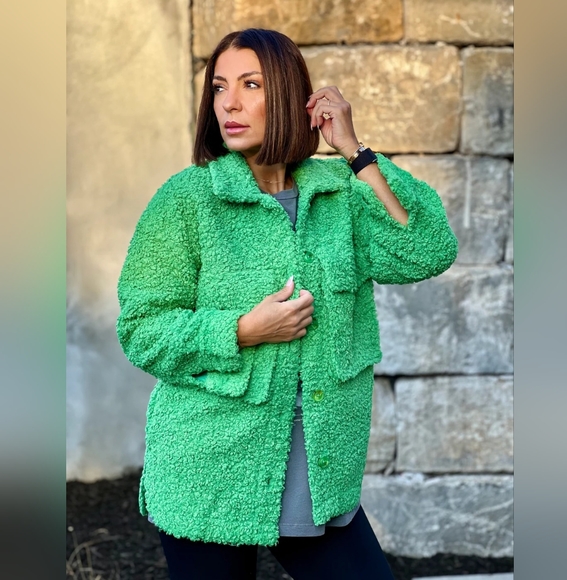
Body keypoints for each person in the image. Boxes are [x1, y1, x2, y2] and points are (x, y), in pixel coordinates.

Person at [117, 28, 458, 580]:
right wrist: (242, 330)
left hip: (320, 469)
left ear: (290, 96)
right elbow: (141, 329)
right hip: (208, 470)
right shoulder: (186, 200)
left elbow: (426, 249)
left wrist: (356, 152)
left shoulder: (340, 194)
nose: (229, 103)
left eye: (250, 85)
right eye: (220, 87)